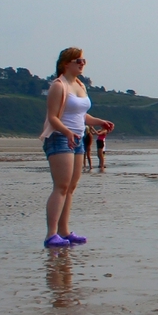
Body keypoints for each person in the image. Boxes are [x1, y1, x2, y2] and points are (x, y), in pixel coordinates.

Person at [41, 48, 115, 248]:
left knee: (71, 187)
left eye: (84, 60)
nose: (82, 63)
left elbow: (81, 115)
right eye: (78, 60)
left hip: (79, 138)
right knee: (61, 186)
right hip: (59, 138)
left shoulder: (80, 85)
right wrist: (67, 133)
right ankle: (51, 234)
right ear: (66, 63)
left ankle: (65, 232)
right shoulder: (58, 86)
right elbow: (53, 117)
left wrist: (99, 121)